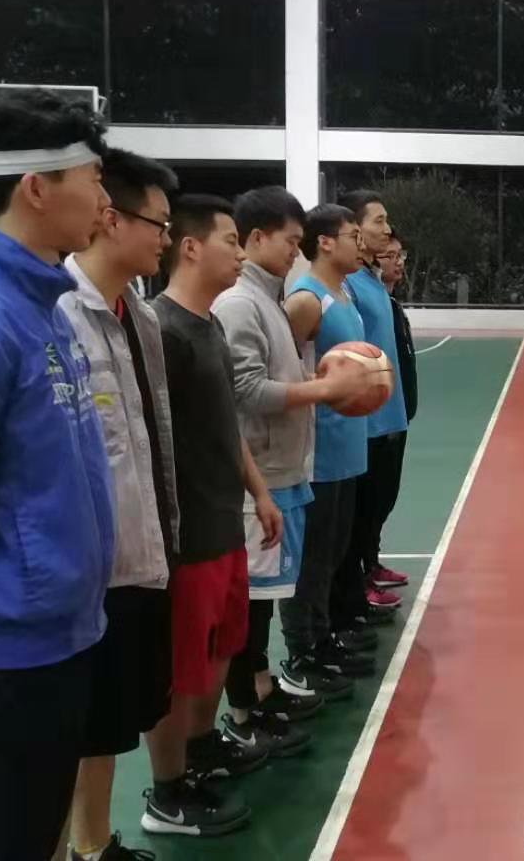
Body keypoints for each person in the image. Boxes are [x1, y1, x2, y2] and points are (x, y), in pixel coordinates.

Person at [0, 90, 114, 861]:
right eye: (93, 178)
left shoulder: (44, 308)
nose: (104, 199)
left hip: (56, 640)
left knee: (36, 837)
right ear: (36, 187)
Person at [142, 196, 284, 839]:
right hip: (188, 534)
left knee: (223, 647)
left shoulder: (210, 327)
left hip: (225, 521)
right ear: (190, 247)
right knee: (181, 668)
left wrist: (259, 492)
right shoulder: (161, 331)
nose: (239, 253)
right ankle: (166, 792)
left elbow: (226, 426)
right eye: (230, 240)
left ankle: (200, 752)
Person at [59, 150, 182, 861]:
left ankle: (95, 842)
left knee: (106, 722)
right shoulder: (57, 316)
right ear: (111, 218)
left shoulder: (139, 315)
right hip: (82, 573)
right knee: (61, 734)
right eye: (157, 223)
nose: (166, 238)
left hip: (141, 551)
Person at [215, 187, 377, 724]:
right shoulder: (242, 303)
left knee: (279, 588)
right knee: (258, 600)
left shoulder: (268, 297)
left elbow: (283, 374)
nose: (295, 250)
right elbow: (245, 389)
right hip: (263, 472)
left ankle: (267, 686)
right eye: (289, 241)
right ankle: (252, 703)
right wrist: (323, 390)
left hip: (287, 466)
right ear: (256, 238)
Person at [280, 205, 378, 694]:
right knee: (312, 559)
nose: (360, 245)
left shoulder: (345, 294)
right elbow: (287, 372)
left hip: (347, 449)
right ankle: (303, 651)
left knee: (335, 552)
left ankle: (325, 636)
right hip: (317, 453)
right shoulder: (306, 300)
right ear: (324, 242)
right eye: (352, 236)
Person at [335, 190, 410, 621]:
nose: (387, 228)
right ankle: (358, 586)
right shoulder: (346, 285)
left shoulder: (373, 281)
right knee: (358, 512)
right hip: (365, 422)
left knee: (380, 502)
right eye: (378, 220)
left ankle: (369, 569)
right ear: (354, 229)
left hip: (390, 416)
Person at [378, 230, 418, 432]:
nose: (399, 262)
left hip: (401, 414)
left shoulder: (393, 305)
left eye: (400, 255)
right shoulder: (374, 307)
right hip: (383, 419)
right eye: (391, 256)